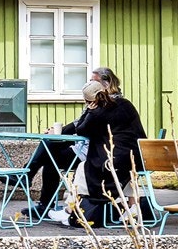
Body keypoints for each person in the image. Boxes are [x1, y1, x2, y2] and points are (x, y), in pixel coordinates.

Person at [48, 78, 153, 227]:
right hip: (137, 157)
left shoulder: (98, 113)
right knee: (126, 173)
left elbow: (81, 130)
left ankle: (69, 210)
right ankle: (133, 206)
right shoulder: (125, 103)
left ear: (88, 100)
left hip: (112, 159)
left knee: (83, 169)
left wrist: (89, 111)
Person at [25, 66, 121, 217]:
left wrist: (61, 132)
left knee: (51, 153)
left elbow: (83, 127)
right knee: (50, 148)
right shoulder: (98, 100)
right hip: (85, 146)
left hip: (96, 153)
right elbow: (80, 124)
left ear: (106, 83)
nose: (89, 85)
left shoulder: (111, 103)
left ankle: (30, 178)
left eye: (93, 82)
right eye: (89, 81)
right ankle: (37, 192)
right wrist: (58, 133)